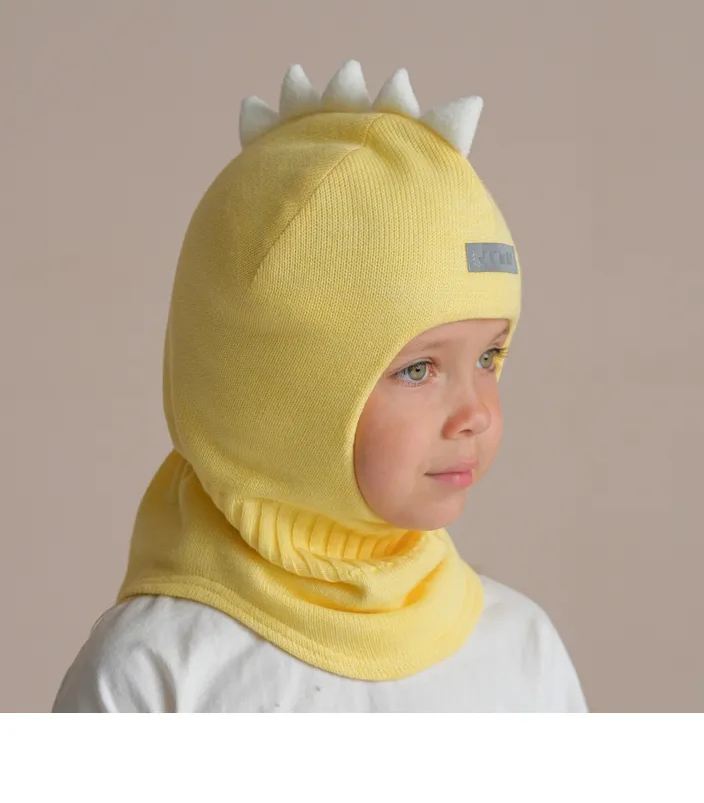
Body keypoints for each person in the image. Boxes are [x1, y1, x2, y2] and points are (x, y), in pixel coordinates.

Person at [52, 59, 588, 712]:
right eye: (418, 369)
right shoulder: (158, 670)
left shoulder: (522, 652)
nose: (475, 412)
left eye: (489, 357)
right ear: (278, 397)